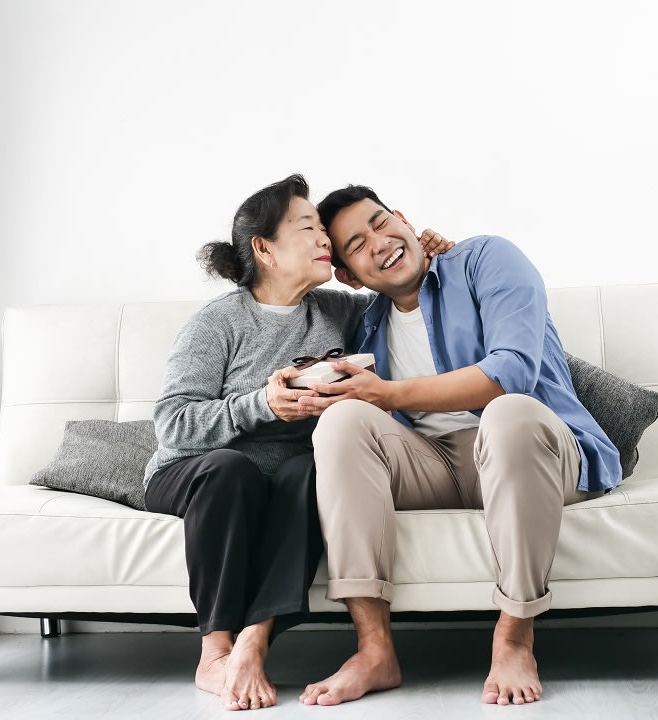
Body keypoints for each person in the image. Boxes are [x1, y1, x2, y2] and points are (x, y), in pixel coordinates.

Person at [294, 185, 622, 707]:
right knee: (341, 421)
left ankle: (515, 635)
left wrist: (391, 393)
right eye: (356, 245)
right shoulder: (366, 323)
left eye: (382, 223)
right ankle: (374, 650)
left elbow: (511, 371)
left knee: (508, 411)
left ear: (404, 217)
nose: (379, 243)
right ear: (349, 277)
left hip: (532, 450)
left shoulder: (487, 259)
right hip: (432, 463)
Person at [142, 174, 451, 711]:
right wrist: (261, 405)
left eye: (323, 232)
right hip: (197, 474)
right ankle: (213, 651)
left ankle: (252, 642)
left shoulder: (339, 312)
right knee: (232, 470)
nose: (324, 241)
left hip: (289, 476)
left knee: (309, 470)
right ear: (264, 249)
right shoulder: (216, 324)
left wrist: (432, 256)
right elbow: (173, 422)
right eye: (308, 228)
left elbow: (403, 297)